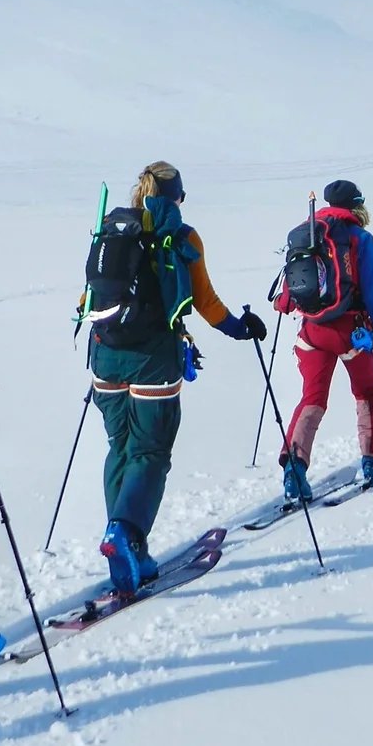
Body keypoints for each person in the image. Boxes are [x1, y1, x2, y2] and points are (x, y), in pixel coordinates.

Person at [88, 162, 266, 592]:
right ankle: (125, 535)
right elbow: (204, 300)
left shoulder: (111, 230)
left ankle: (132, 551)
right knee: (150, 453)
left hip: (105, 357)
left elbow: (92, 294)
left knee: (121, 449)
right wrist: (240, 328)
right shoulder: (182, 236)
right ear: (176, 197)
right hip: (153, 361)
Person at [273, 180, 373, 502]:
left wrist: (285, 303)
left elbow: (287, 293)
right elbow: (372, 291)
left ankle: (294, 472)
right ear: (357, 205)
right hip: (350, 332)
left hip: (311, 332)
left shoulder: (307, 234)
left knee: (311, 398)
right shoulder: (361, 238)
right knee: (368, 393)